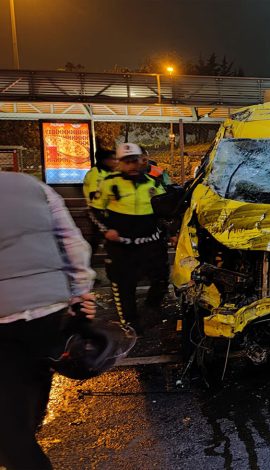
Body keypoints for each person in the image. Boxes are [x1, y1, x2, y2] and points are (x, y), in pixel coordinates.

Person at [0, 171, 96, 470]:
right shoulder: (32, 186)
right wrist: (81, 292)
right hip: (49, 308)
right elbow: (72, 242)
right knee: (32, 384)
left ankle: (18, 450)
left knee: (9, 418)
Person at [90, 143, 169, 334]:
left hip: (150, 245)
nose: (131, 165)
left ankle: (151, 308)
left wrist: (170, 232)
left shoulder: (154, 184)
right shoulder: (109, 183)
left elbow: (165, 211)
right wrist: (106, 230)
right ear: (119, 163)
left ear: (142, 161)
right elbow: (93, 211)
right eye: (127, 162)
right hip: (121, 248)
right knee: (124, 287)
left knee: (161, 280)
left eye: (135, 160)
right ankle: (131, 325)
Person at [82, 148, 118, 250]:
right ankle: (86, 257)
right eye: (113, 159)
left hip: (107, 209)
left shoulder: (110, 173)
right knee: (98, 236)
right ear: (104, 160)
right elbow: (94, 194)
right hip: (96, 209)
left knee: (106, 235)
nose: (116, 162)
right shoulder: (96, 172)